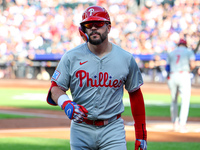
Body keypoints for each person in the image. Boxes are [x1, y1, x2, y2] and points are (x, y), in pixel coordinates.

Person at [46, 5, 147, 150]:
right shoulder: (71, 57)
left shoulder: (125, 58)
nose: (93, 28)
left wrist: (141, 135)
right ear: (83, 29)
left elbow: (135, 94)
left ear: (108, 27)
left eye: (98, 24)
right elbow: (55, 88)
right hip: (81, 128)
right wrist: (66, 103)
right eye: (88, 25)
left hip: (112, 129)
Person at [166, 39, 196, 133]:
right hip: (184, 75)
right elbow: (192, 65)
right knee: (185, 100)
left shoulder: (172, 52)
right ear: (185, 44)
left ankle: (175, 123)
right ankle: (182, 124)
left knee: (174, 100)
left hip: (172, 75)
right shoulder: (189, 51)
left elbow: (167, 67)